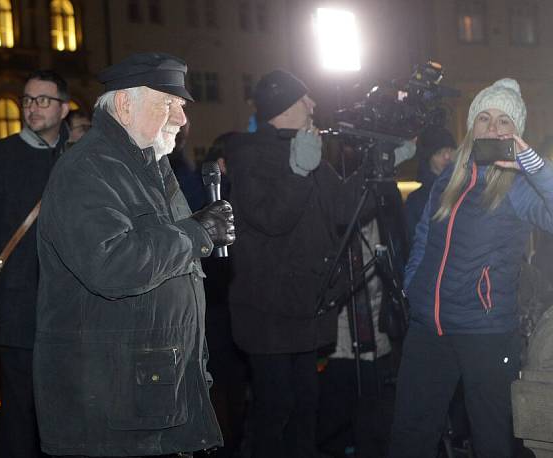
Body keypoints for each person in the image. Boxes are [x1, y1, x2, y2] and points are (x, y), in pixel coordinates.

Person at [34, 52, 233, 457]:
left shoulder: (148, 165)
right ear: (125, 104)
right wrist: (196, 233)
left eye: (181, 106)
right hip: (111, 398)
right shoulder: (88, 168)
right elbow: (112, 266)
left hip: (148, 389)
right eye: (169, 103)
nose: (181, 118)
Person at [224, 70, 415, 458]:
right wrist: (296, 174)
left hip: (305, 310)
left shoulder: (307, 149)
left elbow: (345, 208)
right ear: (282, 108)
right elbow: (270, 220)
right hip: (269, 317)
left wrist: (380, 166)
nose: (313, 106)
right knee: (276, 410)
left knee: (305, 410)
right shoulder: (249, 155)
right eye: (303, 100)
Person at [388, 78, 553, 458]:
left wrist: (533, 164)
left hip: (486, 333)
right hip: (429, 329)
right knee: (410, 437)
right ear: (471, 127)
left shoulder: (520, 185)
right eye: (484, 117)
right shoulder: (450, 177)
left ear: (517, 133)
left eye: (503, 121)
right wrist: (414, 289)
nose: (492, 127)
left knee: (491, 441)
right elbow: (425, 238)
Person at [0, 69, 69, 458]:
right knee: (20, 406)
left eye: (43, 100)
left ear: (65, 108)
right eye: (27, 100)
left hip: (71, 303)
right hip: (18, 299)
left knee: (67, 403)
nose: (32, 108)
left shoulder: (79, 157)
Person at [404, 126, 457, 243]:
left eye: (450, 150)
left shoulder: (466, 188)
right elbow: (414, 243)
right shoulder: (417, 200)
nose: (447, 157)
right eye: (439, 153)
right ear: (428, 158)